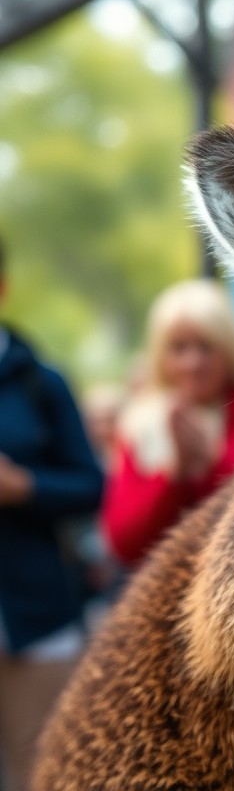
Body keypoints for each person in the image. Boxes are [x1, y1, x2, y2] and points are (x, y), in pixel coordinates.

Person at [0, 237, 104, 790]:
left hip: (36, 619)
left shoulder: (41, 382)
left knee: (44, 768)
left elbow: (90, 485)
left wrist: (25, 487)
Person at [101, 279, 234, 567]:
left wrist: (209, 469)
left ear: (230, 350)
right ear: (161, 356)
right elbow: (123, 541)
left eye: (206, 347)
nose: (192, 363)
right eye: (179, 348)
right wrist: (174, 478)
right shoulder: (139, 424)